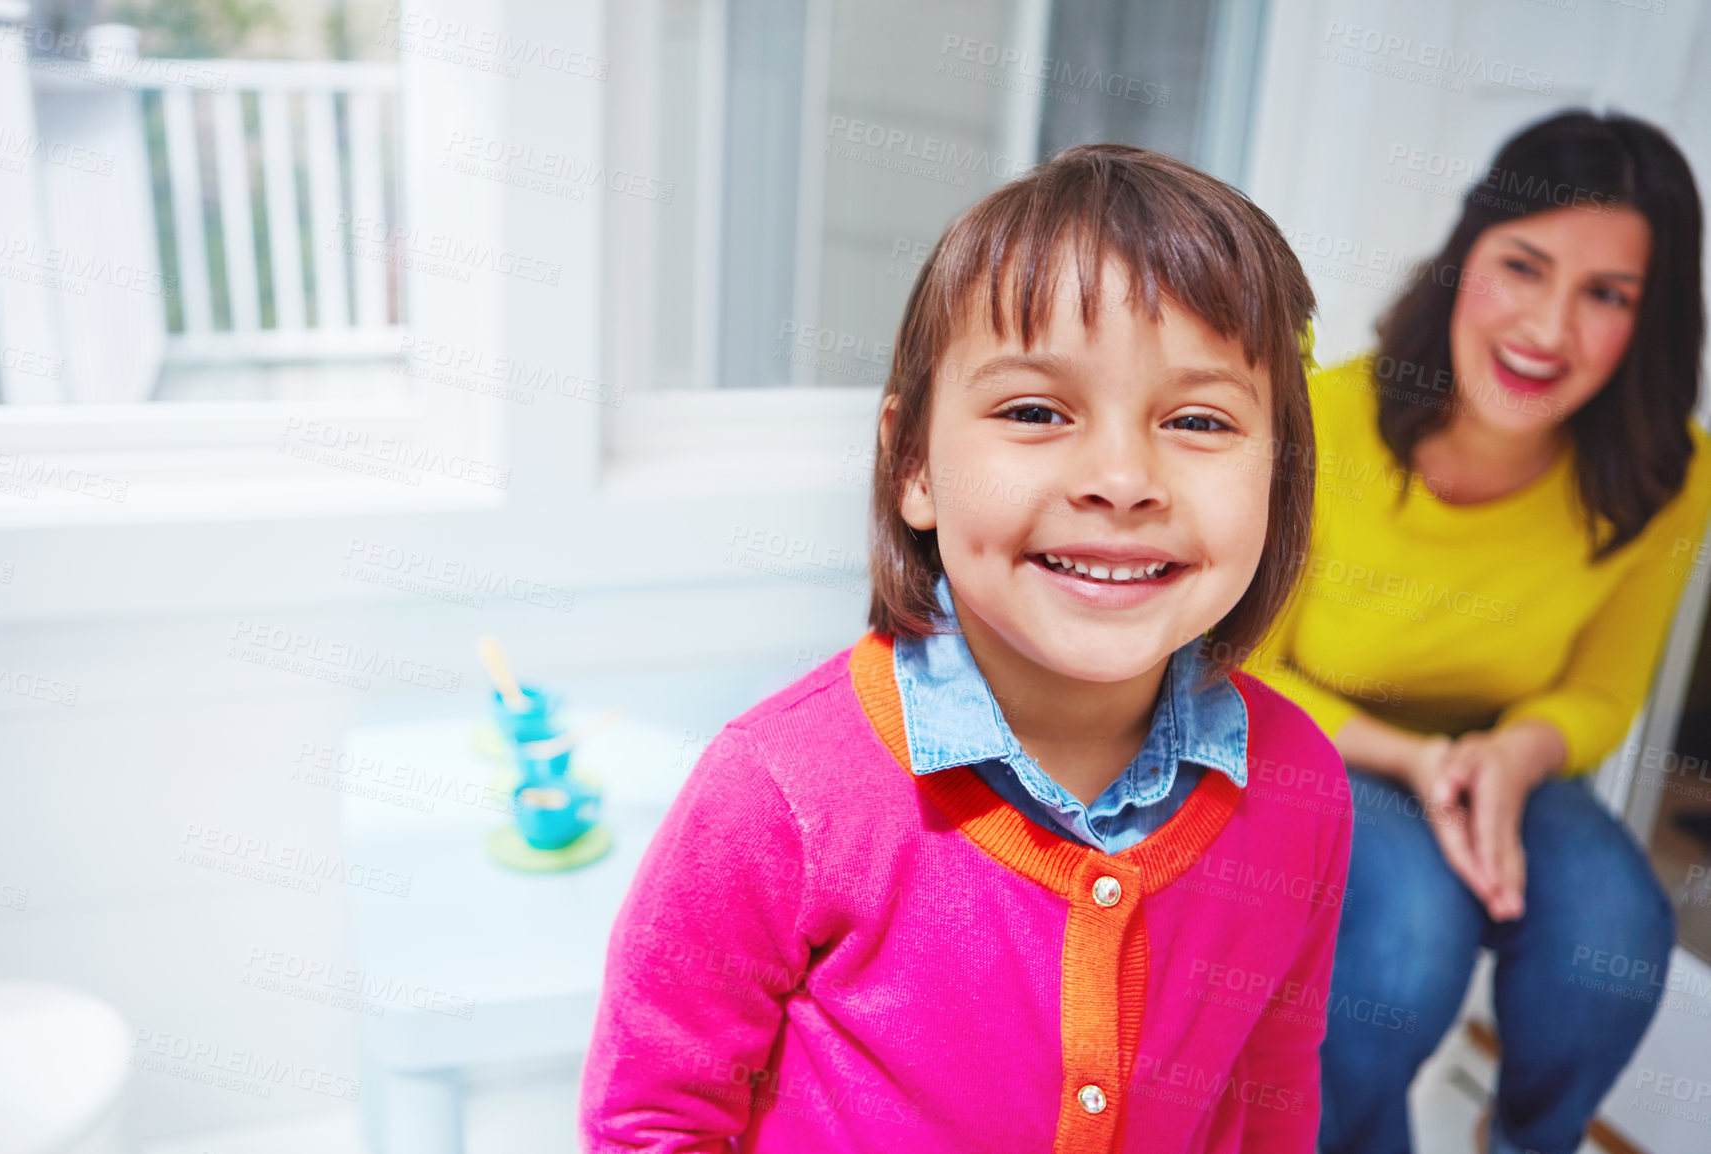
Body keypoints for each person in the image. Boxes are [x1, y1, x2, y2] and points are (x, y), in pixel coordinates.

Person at [579, 144, 1350, 1151]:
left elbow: (1274, 1092)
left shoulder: (1300, 789)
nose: (1121, 478)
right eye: (1035, 410)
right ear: (914, 464)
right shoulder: (776, 791)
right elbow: (652, 1116)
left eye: (1198, 419)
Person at [1247, 110, 1711, 1154]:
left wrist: (1507, 755)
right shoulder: (1316, 424)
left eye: (1606, 295)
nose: (1547, 329)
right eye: (1523, 265)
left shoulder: (1668, 475)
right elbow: (1241, 666)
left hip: (1510, 752)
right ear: (1464, 260)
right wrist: (1423, 757)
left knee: (1612, 939)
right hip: (1318, 736)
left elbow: (1598, 691)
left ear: (1652, 320)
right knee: (1405, 951)